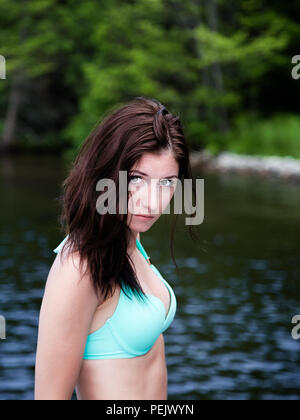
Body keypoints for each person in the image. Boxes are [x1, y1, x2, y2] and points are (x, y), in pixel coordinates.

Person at [34, 96, 197, 400]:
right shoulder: (80, 267)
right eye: (136, 179)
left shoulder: (131, 240)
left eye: (167, 183)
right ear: (105, 174)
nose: (152, 201)